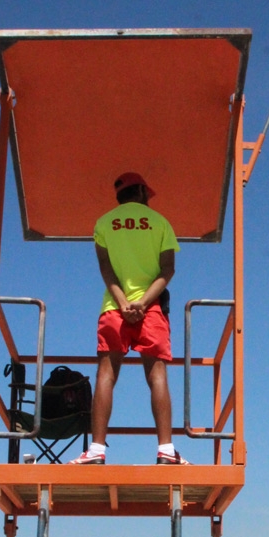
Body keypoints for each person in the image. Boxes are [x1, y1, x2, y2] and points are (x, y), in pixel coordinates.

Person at [70, 172, 188, 466]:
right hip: (152, 310)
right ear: (141, 193)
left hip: (114, 308)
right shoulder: (160, 222)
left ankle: (96, 450)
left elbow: (105, 269)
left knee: (106, 376)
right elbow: (167, 270)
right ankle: (166, 450)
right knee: (157, 376)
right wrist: (144, 303)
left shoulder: (103, 223)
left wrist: (123, 303)